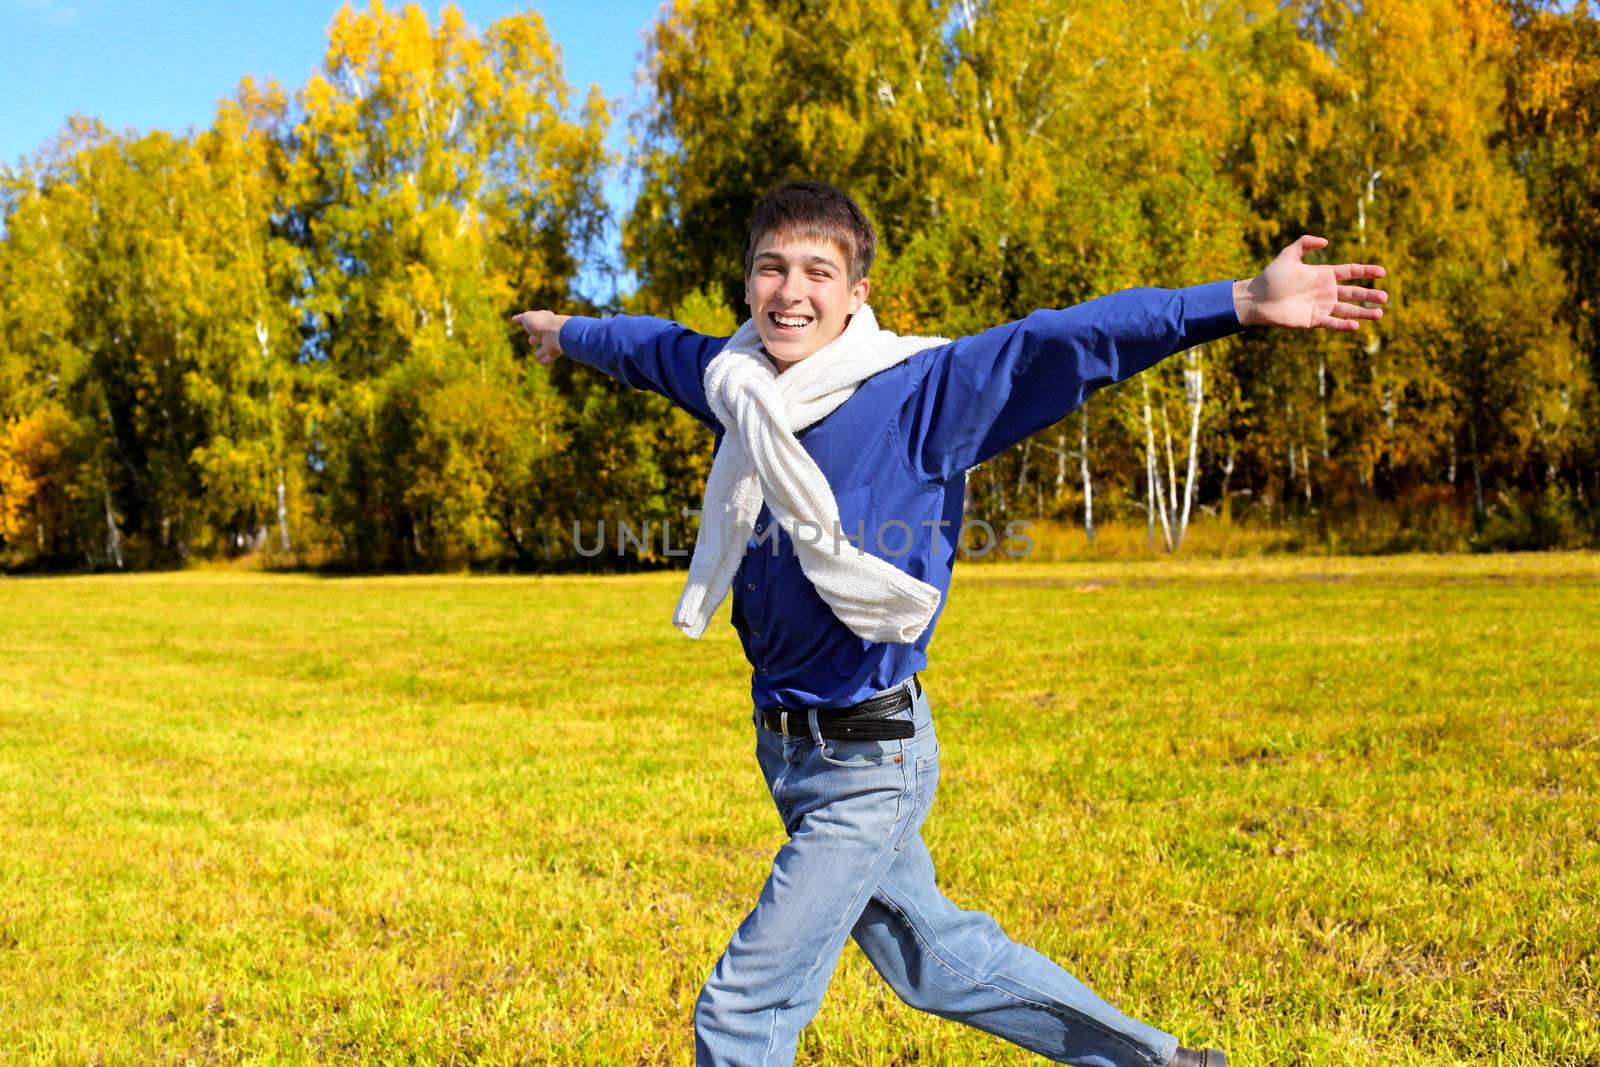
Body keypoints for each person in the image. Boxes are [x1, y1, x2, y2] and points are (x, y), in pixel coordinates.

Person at [513, 180, 1386, 1067]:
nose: (791, 290)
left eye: (820, 271)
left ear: (857, 293)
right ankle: (1160, 1063)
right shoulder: (738, 388)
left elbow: (1071, 339)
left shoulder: (926, 391)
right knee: (940, 961)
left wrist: (1237, 302)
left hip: (870, 760)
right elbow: (649, 345)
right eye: (771, 268)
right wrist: (563, 332)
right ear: (747, 285)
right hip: (788, 751)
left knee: (743, 1007)